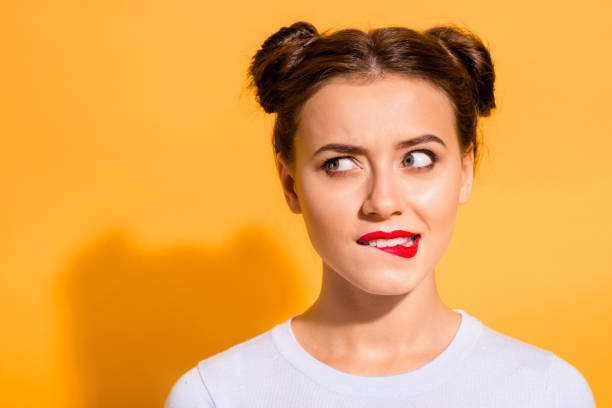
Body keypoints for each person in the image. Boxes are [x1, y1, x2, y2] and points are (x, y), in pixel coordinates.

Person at [165, 21, 596, 407]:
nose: (383, 201)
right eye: (340, 164)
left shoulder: (544, 392)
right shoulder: (215, 396)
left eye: (418, 158)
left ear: (465, 171)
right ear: (291, 185)